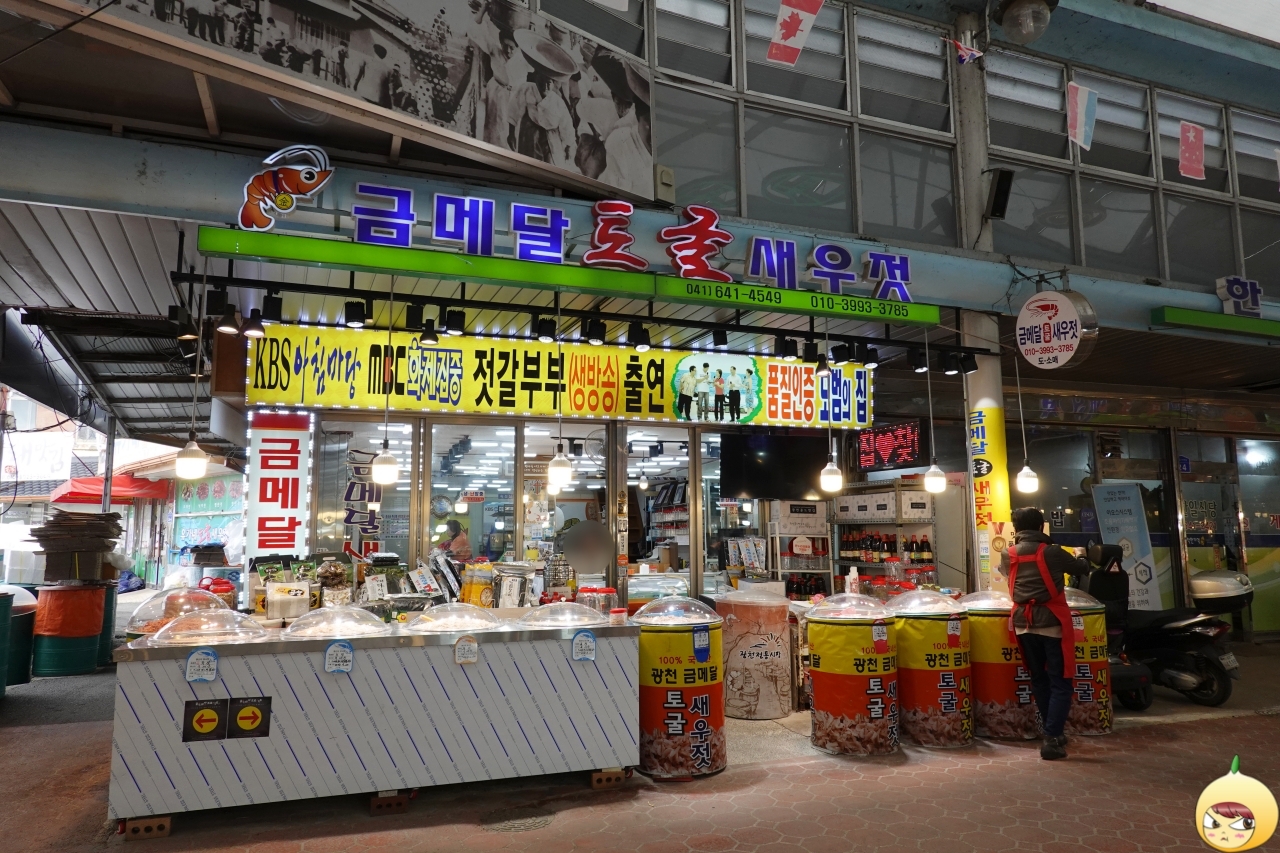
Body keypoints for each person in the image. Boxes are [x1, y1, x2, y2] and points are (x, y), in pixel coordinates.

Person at [1000, 506, 1092, 761]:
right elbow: (1081, 569)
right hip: (1052, 622)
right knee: (1061, 681)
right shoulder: (1052, 551)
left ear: (1016, 529)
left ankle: (1053, 733)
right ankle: (1052, 738)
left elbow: (1008, 575)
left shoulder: (1007, 554)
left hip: (1023, 623)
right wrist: (1082, 555)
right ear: (1041, 527)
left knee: (1039, 678)